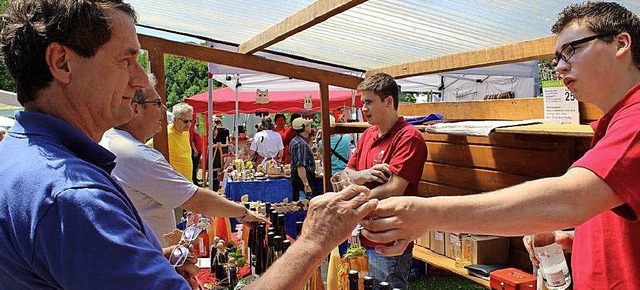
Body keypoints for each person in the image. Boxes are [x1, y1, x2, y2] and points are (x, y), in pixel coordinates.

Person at [359, 2, 640, 289]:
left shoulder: (636, 119)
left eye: (572, 49)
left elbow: (572, 199)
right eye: (557, 57)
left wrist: (428, 214)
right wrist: (575, 238)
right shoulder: (614, 125)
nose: (559, 66)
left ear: (620, 43)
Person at [0, 1, 201, 288]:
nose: (141, 80)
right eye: (126, 61)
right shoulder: (72, 196)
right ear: (62, 63)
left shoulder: (21, 155)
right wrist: (292, 262)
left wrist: (146, 261)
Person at [100, 76, 268, 247]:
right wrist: (243, 213)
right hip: (147, 260)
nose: (164, 109)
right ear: (136, 109)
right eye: (157, 103)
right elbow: (198, 201)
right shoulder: (136, 155)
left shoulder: (112, 140)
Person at [342, 73, 428, 290]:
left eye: (369, 102)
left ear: (389, 101)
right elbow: (347, 173)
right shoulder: (368, 134)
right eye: (362, 103)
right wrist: (364, 175)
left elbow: (394, 189)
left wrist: (356, 200)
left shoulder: (409, 137)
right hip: (361, 235)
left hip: (390, 239)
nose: (363, 108)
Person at [149, 102, 194, 181]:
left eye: (191, 121)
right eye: (185, 121)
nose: (189, 125)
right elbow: (146, 147)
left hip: (187, 181)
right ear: (175, 119)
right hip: (175, 182)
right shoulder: (167, 134)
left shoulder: (186, 132)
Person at [289, 117, 321, 201]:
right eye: (308, 125)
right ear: (304, 127)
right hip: (301, 181)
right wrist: (306, 184)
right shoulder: (301, 144)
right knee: (303, 204)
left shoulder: (295, 141)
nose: (310, 126)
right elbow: (300, 166)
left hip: (297, 179)